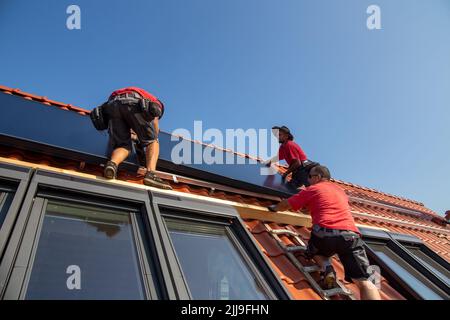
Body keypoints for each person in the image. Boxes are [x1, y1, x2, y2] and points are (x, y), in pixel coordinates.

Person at [268, 165, 381, 300]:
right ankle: (330, 271)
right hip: (350, 236)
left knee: (314, 251)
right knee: (365, 282)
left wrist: (274, 208)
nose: (307, 180)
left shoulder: (313, 189)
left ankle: (327, 268)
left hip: (325, 234)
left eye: (310, 177)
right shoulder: (340, 191)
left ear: (318, 177)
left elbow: (287, 204)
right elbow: (326, 204)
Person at [101, 87, 172, 190]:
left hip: (111, 105)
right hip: (132, 101)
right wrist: (150, 137)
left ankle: (112, 164)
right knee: (153, 141)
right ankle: (151, 175)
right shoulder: (157, 103)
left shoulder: (141, 92)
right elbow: (155, 122)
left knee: (123, 145)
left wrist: (136, 135)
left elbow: (129, 120)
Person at [265, 126, 316, 190]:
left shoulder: (290, 145)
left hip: (304, 170)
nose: (277, 137)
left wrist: (286, 173)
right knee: (290, 188)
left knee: (311, 190)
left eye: (279, 135)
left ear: (286, 136)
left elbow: (297, 163)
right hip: (297, 172)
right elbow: (278, 157)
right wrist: (270, 161)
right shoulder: (283, 147)